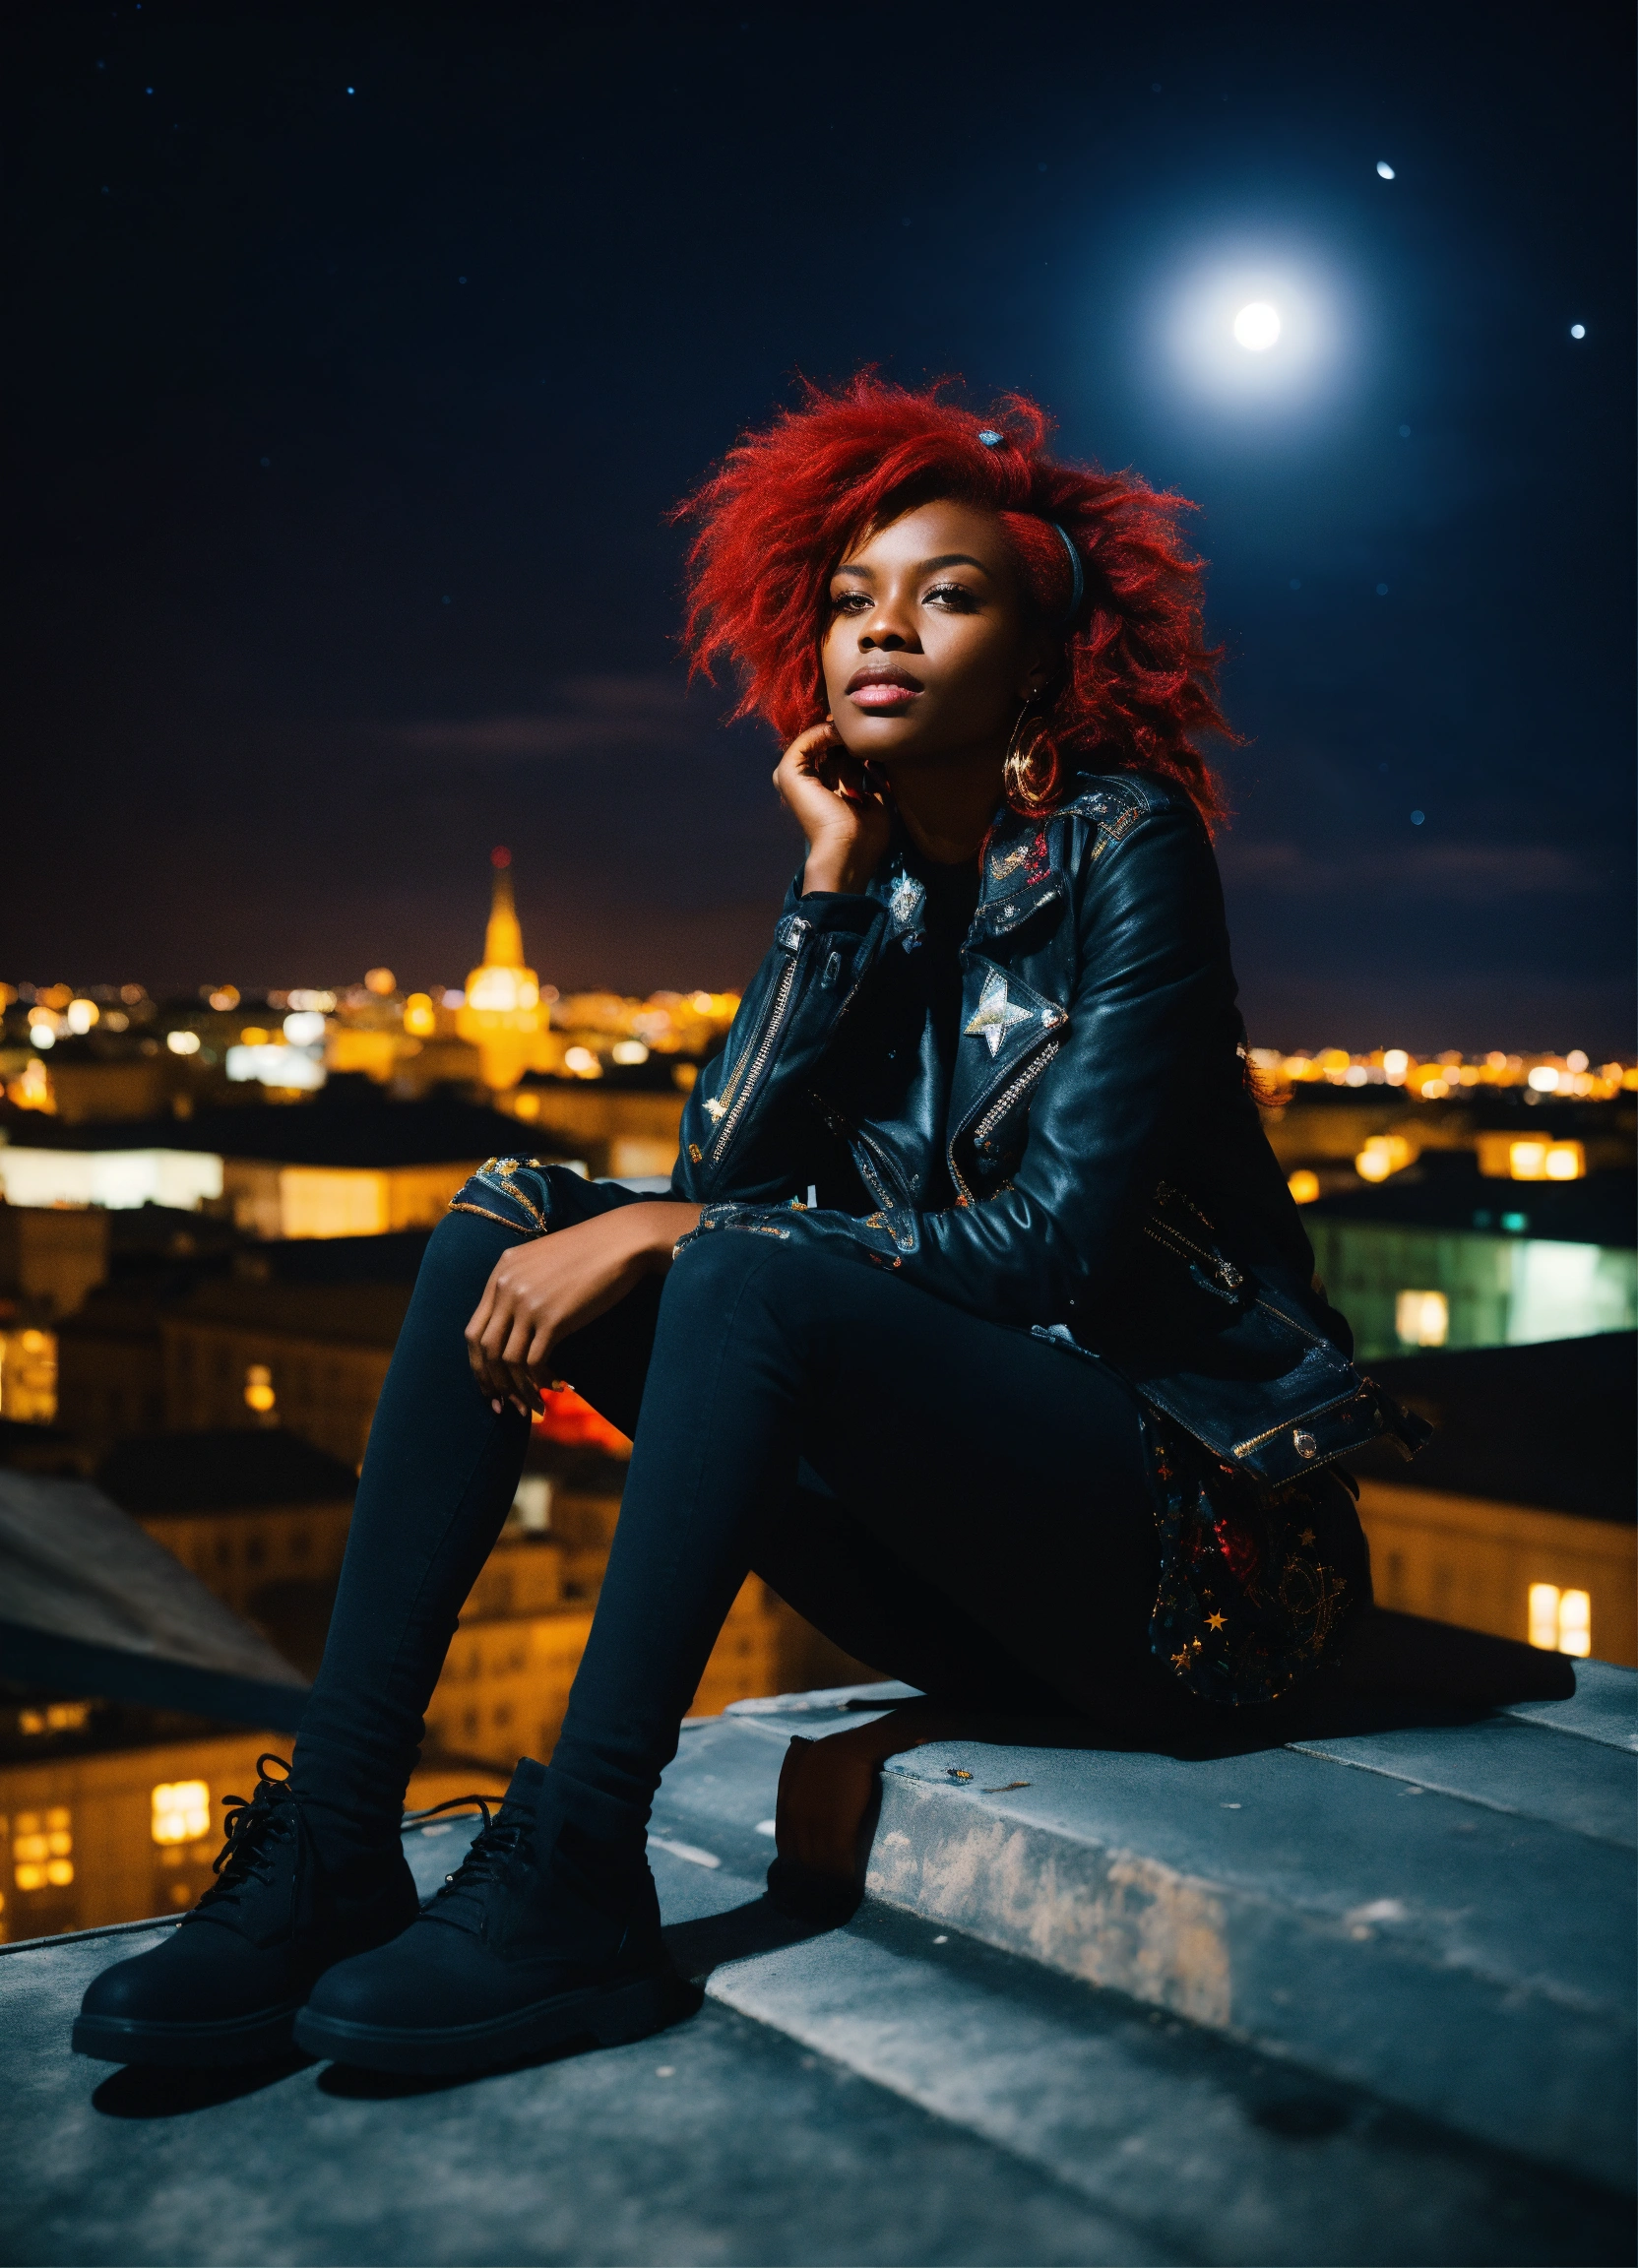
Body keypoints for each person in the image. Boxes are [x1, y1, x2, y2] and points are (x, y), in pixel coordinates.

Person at [74, 375, 1374, 2079]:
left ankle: (584, 1870)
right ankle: (330, 1844)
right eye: (848, 601)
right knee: (504, 1220)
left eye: (948, 592)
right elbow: (727, 1166)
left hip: (1187, 1570)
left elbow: (1050, 1252)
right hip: (970, 1563)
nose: (879, 630)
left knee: (730, 1259)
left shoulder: (1126, 846)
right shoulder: (881, 877)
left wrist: (692, 1231)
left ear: (1047, 659)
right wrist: (825, 890)